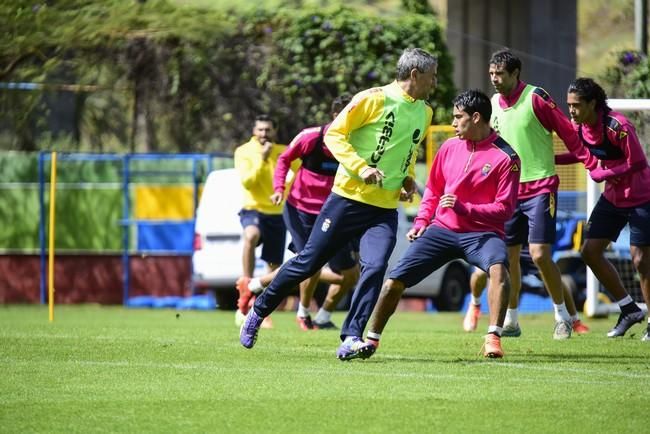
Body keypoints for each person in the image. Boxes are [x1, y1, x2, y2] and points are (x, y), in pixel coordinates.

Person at [240, 47, 437, 359]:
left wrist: (407, 179)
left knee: (374, 267)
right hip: (347, 200)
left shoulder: (425, 112)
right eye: (432, 76)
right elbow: (334, 135)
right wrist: (361, 168)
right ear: (415, 75)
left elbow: (408, 152)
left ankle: (351, 337)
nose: (435, 82)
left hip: (384, 209)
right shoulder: (373, 98)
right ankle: (258, 310)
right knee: (309, 262)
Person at [365, 89, 520, 359]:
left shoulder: (507, 157)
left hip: (482, 234)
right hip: (442, 230)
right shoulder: (448, 147)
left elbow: (505, 210)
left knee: (499, 271)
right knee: (393, 283)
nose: (452, 123)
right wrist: (422, 221)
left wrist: (464, 207)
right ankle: (371, 340)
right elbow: (434, 191)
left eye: (457, 117)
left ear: (475, 118)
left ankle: (493, 337)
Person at [483, 49, 597, 339]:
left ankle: (562, 317)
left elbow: (567, 131)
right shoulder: (493, 103)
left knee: (539, 254)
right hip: (508, 192)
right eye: (492, 73)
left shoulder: (536, 97)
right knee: (507, 259)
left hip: (540, 186)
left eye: (501, 74)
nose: (495, 79)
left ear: (515, 74)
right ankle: (511, 320)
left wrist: (589, 160)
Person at [239, 94, 361, 331]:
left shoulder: (357, 144)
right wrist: (278, 188)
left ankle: (321, 316)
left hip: (332, 212)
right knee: (310, 262)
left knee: (350, 274)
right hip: (300, 210)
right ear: (336, 116)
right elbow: (284, 159)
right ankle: (303, 314)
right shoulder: (311, 137)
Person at [556, 77, 650, 341]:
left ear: (592, 103)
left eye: (576, 105)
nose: (571, 111)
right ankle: (629, 309)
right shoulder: (580, 128)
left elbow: (638, 162)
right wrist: (549, 161)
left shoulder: (617, 125)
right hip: (613, 198)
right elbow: (578, 154)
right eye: (569, 105)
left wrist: (605, 171)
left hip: (642, 197)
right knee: (590, 252)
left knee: (641, 260)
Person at [233, 115, 291, 328]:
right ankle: (246, 282)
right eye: (260, 130)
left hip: (277, 212)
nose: (263, 134)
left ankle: (261, 309)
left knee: (274, 267)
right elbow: (248, 182)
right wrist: (263, 159)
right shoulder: (243, 151)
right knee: (252, 234)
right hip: (253, 208)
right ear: (254, 130)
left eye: (267, 130)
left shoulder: (284, 151)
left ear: (274, 131)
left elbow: (294, 175)